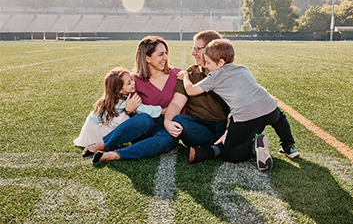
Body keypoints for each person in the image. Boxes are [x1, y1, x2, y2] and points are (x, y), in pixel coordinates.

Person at [179, 39, 299, 171]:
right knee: (280, 119)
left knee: (228, 153)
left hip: (246, 116)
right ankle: (289, 146)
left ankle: (253, 146)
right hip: (269, 106)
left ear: (221, 62)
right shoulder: (242, 68)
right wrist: (227, 130)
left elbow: (190, 90)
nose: (206, 66)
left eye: (208, 63)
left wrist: (185, 76)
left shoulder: (214, 76)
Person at [82, 36, 183, 163]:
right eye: (161, 54)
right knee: (144, 118)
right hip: (143, 127)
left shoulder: (178, 74)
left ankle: (115, 155)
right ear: (147, 58)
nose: (166, 58)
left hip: (167, 127)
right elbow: (116, 102)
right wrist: (129, 110)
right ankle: (102, 145)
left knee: (170, 139)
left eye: (166, 53)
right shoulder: (134, 81)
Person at [164, 30, 229, 163]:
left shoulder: (229, 73)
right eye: (193, 48)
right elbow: (177, 103)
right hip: (200, 127)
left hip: (225, 124)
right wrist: (167, 121)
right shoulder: (189, 74)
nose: (193, 53)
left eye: (197, 49)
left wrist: (230, 128)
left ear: (212, 50)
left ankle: (213, 148)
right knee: (179, 120)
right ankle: (224, 145)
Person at [74, 67, 163, 148]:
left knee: (126, 115)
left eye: (132, 79)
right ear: (119, 89)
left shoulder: (112, 97)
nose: (133, 83)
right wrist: (163, 111)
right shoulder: (121, 101)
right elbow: (144, 109)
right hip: (97, 131)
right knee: (128, 116)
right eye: (129, 83)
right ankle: (107, 142)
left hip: (95, 126)